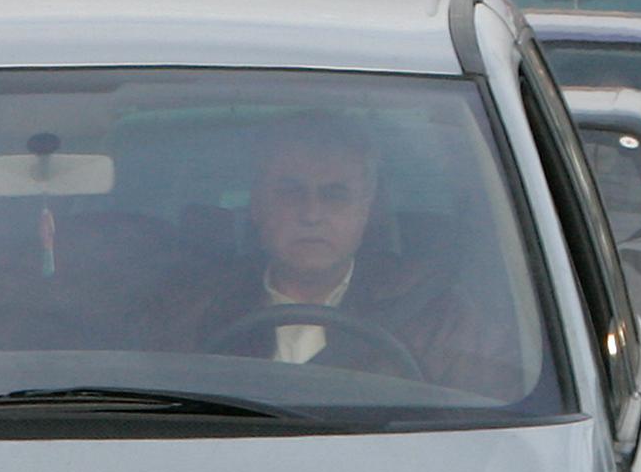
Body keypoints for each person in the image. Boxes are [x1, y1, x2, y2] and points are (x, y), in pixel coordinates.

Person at [167, 117, 528, 400]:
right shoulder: (198, 310)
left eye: (335, 195)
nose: (311, 213)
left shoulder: (438, 316)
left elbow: (493, 428)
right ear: (257, 206)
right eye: (291, 192)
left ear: (367, 210)